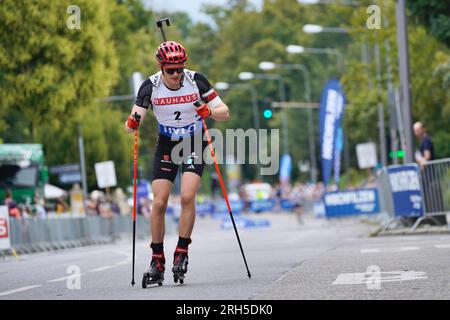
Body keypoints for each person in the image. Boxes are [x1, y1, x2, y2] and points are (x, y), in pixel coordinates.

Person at [125, 40, 230, 285]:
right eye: (170, 70)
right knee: (159, 202)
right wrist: (132, 123)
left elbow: (225, 111)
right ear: (161, 67)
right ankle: (157, 258)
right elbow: (132, 121)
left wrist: (209, 111)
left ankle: (181, 252)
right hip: (167, 144)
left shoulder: (197, 81)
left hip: (194, 142)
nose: (176, 74)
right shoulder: (149, 87)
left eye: (179, 69)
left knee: (186, 196)